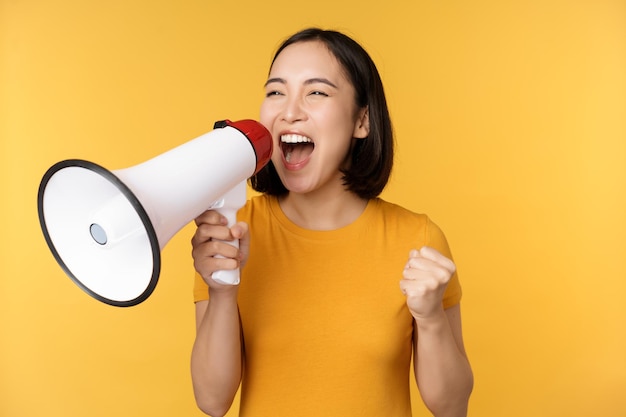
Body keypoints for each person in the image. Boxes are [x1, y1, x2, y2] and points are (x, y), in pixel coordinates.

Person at [190, 28, 473, 417]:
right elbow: (212, 401)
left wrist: (431, 319)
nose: (289, 111)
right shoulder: (231, 233)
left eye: (316, 92)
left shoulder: (418, 239)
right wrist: (221, 290)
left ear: (362, 121)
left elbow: (452, 406)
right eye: (276, 92)